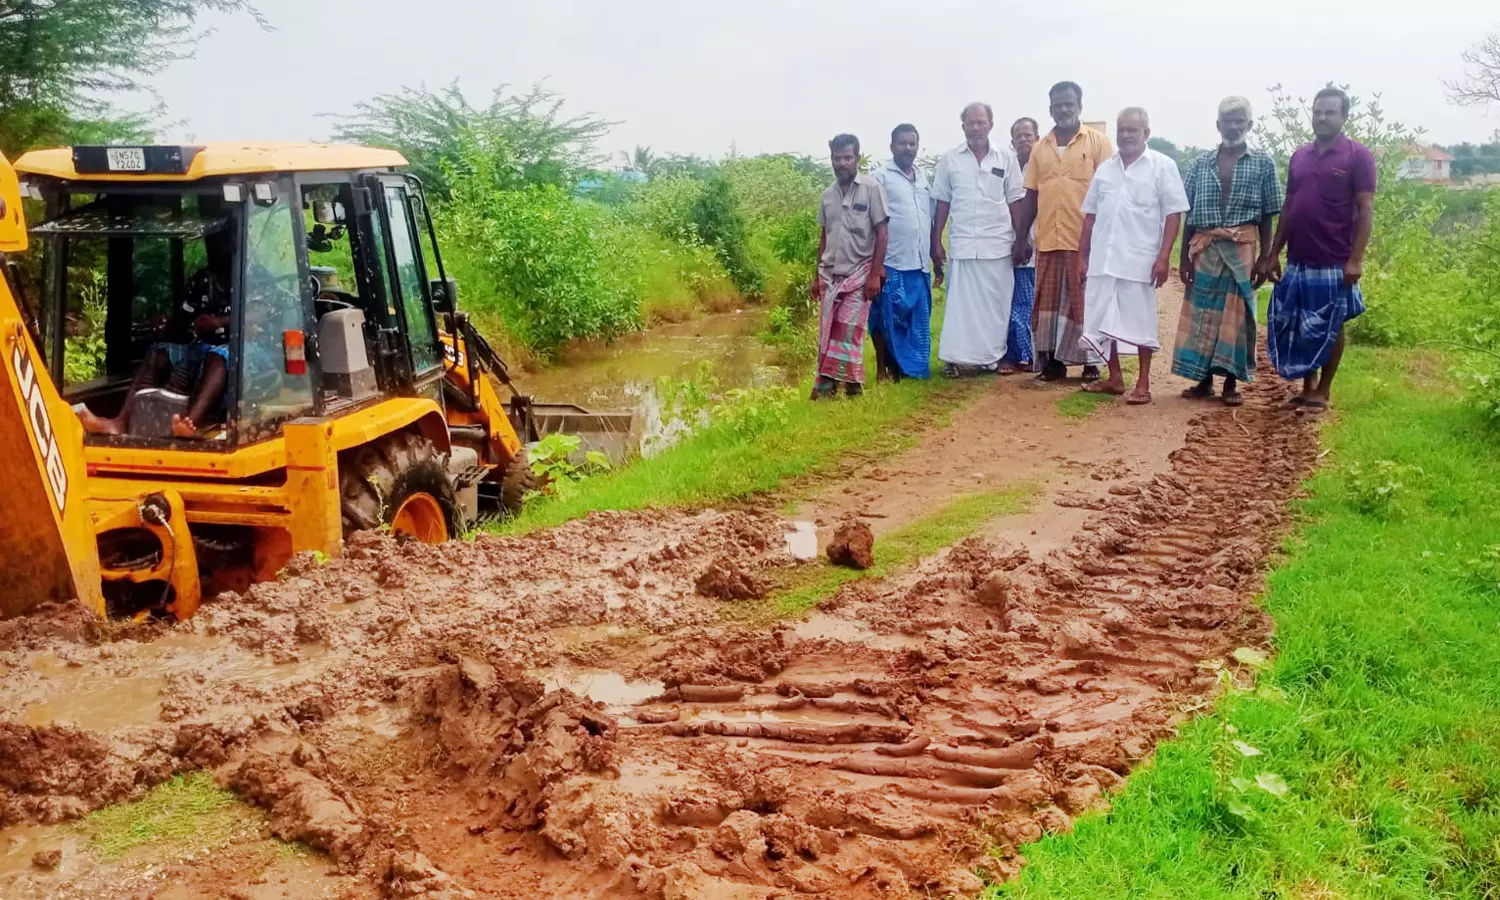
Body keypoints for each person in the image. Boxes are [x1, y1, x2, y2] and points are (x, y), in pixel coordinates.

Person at [1262, 87, 1375, 412]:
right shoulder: (1300, 156)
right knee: (1299, 322)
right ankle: (1306, 387)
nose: (1322, 118)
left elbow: (1366, 210)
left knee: (1330, 323)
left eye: (1329, 112)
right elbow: (1289, 205)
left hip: (1335, 258)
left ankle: (1323, 392)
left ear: (1343, 116)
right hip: (1298, 257)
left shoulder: (1357, 156)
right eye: (1317, 112)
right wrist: (1273, 253)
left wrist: (1356, 258)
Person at [1174, 96, 1283, 407]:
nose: (1233, 126)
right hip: (1205, 248)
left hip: (1242, 249)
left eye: (1239, 120)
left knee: (1236, 317)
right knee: (1203, 314)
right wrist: (1184, 258)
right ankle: (1203, 380)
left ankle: (1231, 384)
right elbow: (1190, 216)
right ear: (1217, 124)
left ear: (1249, 124)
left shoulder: (1263, 163)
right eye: (1227, 120)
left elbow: (1268, 215)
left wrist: (1266, 257)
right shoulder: (1200, 164)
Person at [1077, 107, 1188, 404]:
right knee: (1103, 318)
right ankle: (1114, 377)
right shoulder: (1105, 169)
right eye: (1122, 129)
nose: (1125, 135)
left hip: (1139, 261)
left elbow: (1174, 213)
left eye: (1132, 130)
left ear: (1146, 133)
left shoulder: (1162, 166)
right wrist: (1082, 256)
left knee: (1141, 322)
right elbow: (1090, 215)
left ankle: (1143, 382)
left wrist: (1163, 257)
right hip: (1103, 259)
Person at [78, 228, 234, 438]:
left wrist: (218, 322)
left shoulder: (252, 276)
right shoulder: (202, 280)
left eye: (220, 242)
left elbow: (262, 317)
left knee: (218, 357)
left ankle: (190, 423)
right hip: (200, 348)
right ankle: (122, 421)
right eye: (211, 242)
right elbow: (185, 320)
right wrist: (168, 324)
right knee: (158, 353)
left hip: (243, 352)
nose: (214, 248)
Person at [1016, 81, 1113, 382]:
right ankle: (1053, 363)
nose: (1064, 108)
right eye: (1058, 104)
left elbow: (1110, 193)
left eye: (1069, 103)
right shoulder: (1039, 149)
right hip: (1048, 239)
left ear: (1079, 105)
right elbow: (1031, 195)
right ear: (1050, 109)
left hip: (1084, 240)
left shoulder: (1098, 143)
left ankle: (1091, 363)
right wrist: (1021, 239)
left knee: (1083, 302)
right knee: (1048, 303)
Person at [930, 102, 1028, 377]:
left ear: (990, 125)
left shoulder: (1005, 158)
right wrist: (936, 240)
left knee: (995, 305)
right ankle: (953, 358)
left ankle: (990, 358)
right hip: (963, 244)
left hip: (997, 243)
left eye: (980, 123)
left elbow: (1016, 200)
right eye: (970, 123)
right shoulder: (950, 159)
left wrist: (1020, 240)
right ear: (963, 127)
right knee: (959, 306)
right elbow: (942, 202)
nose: (975, 128)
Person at [811, 133, 890, 399]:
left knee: (848, 331)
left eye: (847, 157)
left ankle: (853, 387)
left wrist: (874, 275)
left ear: (857, 158)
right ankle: (827, 388)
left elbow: (882, 232)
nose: (841, 163)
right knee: (829, 332)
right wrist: (816, 278)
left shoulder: (872, 188)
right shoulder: (827, 195)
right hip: (830, 276)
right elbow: (824, 237)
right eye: (836, 158)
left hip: (859, 274)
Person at [869, 123, 934, 380]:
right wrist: (876, 265)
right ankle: (883, 368)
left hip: (918, 263)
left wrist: (935, 257)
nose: (908, 148)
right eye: (902, 143)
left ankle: (911, 369)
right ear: (892, 146)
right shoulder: (880, 177)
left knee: (917, 320)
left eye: (912, 143)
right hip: (891, 261)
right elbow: (872, 223)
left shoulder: (923, 178)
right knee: (884, 316)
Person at [1001, 117, 1040, 375]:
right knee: (1010, 303)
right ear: (1012, 141)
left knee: (1026, 304)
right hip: (1009, 246)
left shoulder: (1043, 167)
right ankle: (1015, 354)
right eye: (1019, 136)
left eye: (1028, 135)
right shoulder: (1007, 166)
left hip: (1037, 247)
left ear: (1037, 138)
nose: (1024, 140)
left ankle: (1027, 355)